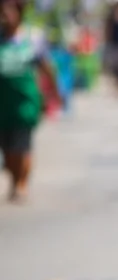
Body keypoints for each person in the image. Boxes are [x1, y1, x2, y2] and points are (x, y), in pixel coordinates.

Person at [0, 0, 60, 203]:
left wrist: (54, 93)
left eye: (10, 11)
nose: (6, 15)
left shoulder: (32, 38)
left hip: (25, 104)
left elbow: (47, 67)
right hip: (2, 106)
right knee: (8, 151)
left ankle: (22, 184)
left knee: (22, 146)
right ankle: (14, 178)